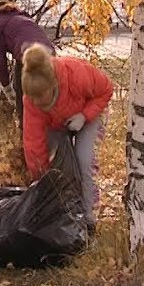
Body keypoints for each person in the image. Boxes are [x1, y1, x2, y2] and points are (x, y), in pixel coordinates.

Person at [20, 43, 113, 228]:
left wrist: (84, 116)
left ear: (53, 83)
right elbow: (34, 144)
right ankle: (65, 214)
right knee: (56, 165)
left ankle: (88, 218)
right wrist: (41, 181)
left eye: (42, 98)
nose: (37, 103)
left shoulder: (76, 74)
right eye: (34, 99)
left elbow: (106, 90)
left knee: (83, 160)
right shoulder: (32, 101)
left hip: (89, 113)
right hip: (57, 123)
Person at [0, 0, 55, 130]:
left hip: (28, 55)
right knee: (49, 99)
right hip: (50, 54)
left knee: (23, 102)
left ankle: (25, 137)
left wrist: (6, 86)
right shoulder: (23, 18)